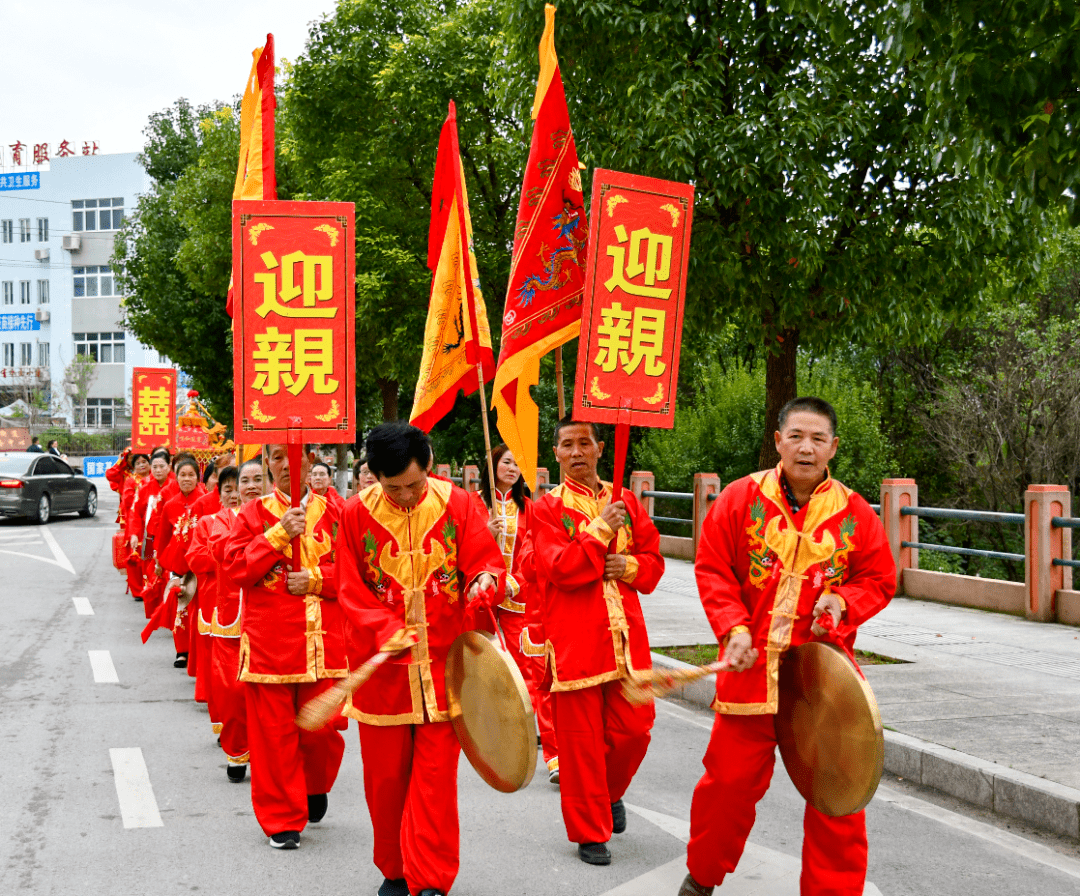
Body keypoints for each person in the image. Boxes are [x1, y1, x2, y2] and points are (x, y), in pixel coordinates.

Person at [679, 397, 896, 896]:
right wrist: (733, 627)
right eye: (796, 436)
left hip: (823, 684)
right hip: (751, 671)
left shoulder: (855, 512)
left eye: (818, 439)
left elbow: (880, 578)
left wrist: (842, 601)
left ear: (833, 448)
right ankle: (702, 878)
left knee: (837, 799)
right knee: (726, 788)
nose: (806, 447)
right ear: (778, 440)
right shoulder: (739, 499)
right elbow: (713, 567)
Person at [336, 422, 503, 896]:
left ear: (427, 464)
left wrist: (485, 580)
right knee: (386, 780)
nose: (407, 496)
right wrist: (386, 628)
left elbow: (482, 559)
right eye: (395, 489)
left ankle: (430, 878)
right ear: (375, 478)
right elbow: (349, 589)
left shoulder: (459, 505)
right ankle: (394, 867)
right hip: (383, 670)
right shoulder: (354, 514)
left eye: (414, 485)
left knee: (434, 780)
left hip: (446, 667)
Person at [531, 416, 665, 867]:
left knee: (635, 730)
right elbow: (560, 570)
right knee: (580, 743)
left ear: (600, 449)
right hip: (574, 644)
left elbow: (654, 564)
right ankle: (590, 832)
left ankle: (608, 794)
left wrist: (626, 566)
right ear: (556, 454)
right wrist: (600, 532)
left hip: (627, 640)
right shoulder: (546, 509)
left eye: (584, 443)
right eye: (566, 444)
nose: (576, 452)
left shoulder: (626, 500)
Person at [224, 443, 348, 850]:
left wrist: (316, 580)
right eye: (275, 457)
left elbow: (358, 571)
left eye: (292, 456)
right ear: (266, 464)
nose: (284, 464)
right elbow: (236, 568)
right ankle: (281, 819)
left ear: (311, 460)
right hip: (269, 646)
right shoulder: (252, 515)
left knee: (322, 731)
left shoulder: (337, 513)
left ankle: (314, 785)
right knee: (274, 737)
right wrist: (279, 535)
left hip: (324, 643)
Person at [471, 445, 558, 782]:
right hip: (478, 599)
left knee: (534, 675)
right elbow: (461, 550)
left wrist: (516, 584)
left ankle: (553, 755)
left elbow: (536, 553)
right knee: (480, 670)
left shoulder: (531, 510)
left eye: (518, 464)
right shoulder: (474, 505)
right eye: (506, 462)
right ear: (493, 465)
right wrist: (485, 536)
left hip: (518, 602)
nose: (512, 468)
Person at [205, 458, 265, 782]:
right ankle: (237, 751)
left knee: (266, 693)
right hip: (231, 618)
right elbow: (219, 552)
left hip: (269, 620)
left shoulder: (279, 517)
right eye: (245, 481)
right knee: (231, 690)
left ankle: (266, 752)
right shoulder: (223, 519)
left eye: (258, 479)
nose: (251, 486)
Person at [187, 465, 240, 738]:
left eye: (237, 488)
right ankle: (223, 725)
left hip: (251, 608)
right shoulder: (209, 523)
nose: (233, 495)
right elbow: (194, 558)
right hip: (216, 607)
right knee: (221, 675)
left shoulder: (258, 521)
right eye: (227, 490)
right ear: (219, 495)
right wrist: (225, 557)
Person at [144, 456, 205, 668]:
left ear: (198, 477)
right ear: (176, 477)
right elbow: (162, 537)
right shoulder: (170, 505)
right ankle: (182, 651)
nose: (187, 479)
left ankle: (199, 648)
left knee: (199, 609)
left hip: (201, 565)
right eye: (182, 475)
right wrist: (159, 561)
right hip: (178, 566)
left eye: (191, 475)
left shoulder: (204, 501)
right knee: (182, 608)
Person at [129, 451, 176, 618]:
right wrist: (134, 534)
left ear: (169, 467)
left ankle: (168, 610)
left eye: (161, 466)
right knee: (150, 575)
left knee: (168, 574)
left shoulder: (175, 487)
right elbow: (135, 512)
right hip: (149, 538)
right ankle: (155, 611)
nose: (158, 470)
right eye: (154, 467)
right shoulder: (144, 488)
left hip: (170, 539)